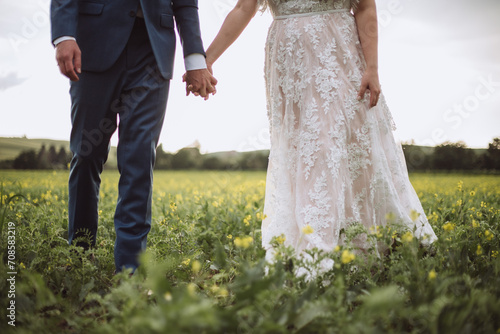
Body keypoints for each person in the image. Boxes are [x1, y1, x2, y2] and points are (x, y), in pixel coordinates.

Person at [201, 0, 437, 271]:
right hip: (290, 59)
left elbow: (364, 7)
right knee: (305, 147)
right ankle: (311, 237)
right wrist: (206, 60)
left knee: (340, 142)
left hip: (338, 50)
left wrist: (372, 68)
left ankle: (355, 238)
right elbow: (244, 8)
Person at [51, 0, 217, 273]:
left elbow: (186, 3)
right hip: (94, 44)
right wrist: (64, 35)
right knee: (86, 153)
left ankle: (130, 269)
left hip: (154, 51)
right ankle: (80, 255)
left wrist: (196, 59)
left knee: (139, 158)